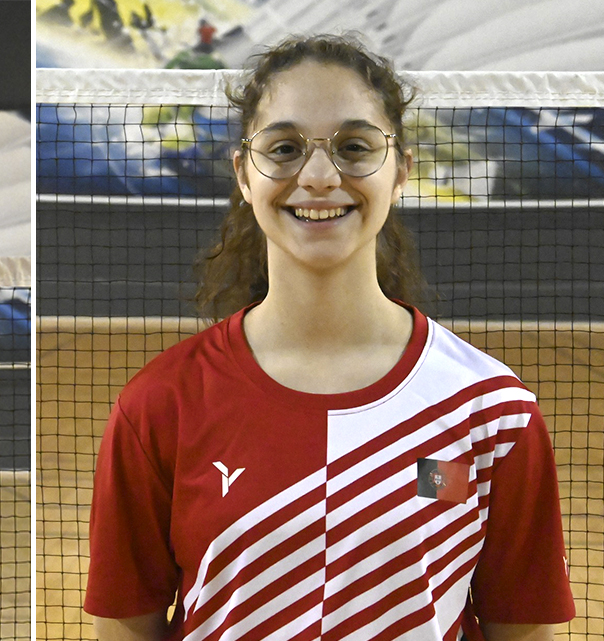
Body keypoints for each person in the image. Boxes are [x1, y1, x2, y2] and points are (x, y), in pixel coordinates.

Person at [84, 35, 575, 641]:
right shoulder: (160, 406)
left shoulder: (492, 411)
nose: (319, 176)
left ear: (401, 172)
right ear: (243, 174)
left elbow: (522, 624)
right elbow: (127, 620)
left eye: (354, 147)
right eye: (285, 148)